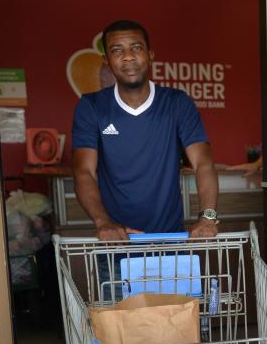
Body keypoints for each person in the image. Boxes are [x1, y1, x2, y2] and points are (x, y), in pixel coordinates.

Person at [72, 19, 218, 241]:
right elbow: (84, 171)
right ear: (107, 62)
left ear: (150, 55)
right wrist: (103, 223)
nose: (128, 56)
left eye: (136, 48)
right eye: (117, 50)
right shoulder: (91, 107)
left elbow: (203, 163)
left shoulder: (177, 103)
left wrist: (207, 218)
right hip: (115, 240)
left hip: (170, 240)